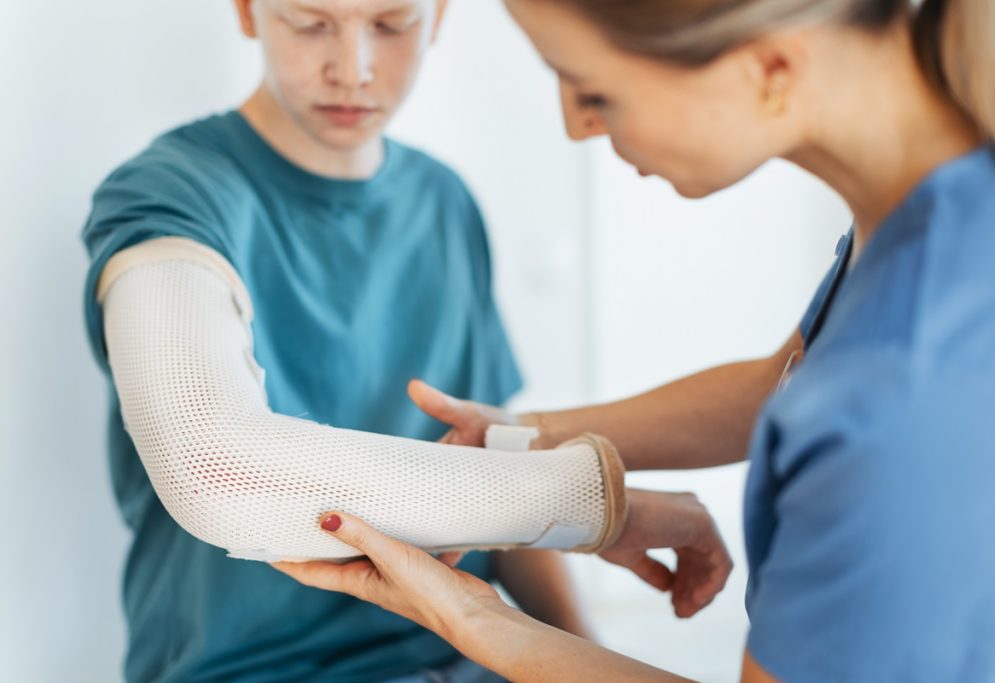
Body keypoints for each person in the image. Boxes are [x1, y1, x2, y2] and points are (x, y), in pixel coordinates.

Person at [273, 0, 995, 681]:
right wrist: (526, 437)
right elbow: (782, 381)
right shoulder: (940, 204)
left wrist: (473, 616)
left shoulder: (911, 385)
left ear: (770, 67)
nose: (576, 124)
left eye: (594, 89)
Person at [81, 1, 611, 680]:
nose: (353, 70)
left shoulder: (444, 201)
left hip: (464, 658)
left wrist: (587, 650)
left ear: (440, 16)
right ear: (248, 10)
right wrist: (598, 504)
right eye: (310, 23)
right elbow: (208, 453)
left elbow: (494, 455)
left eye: (391, 25)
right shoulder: (172, 193)